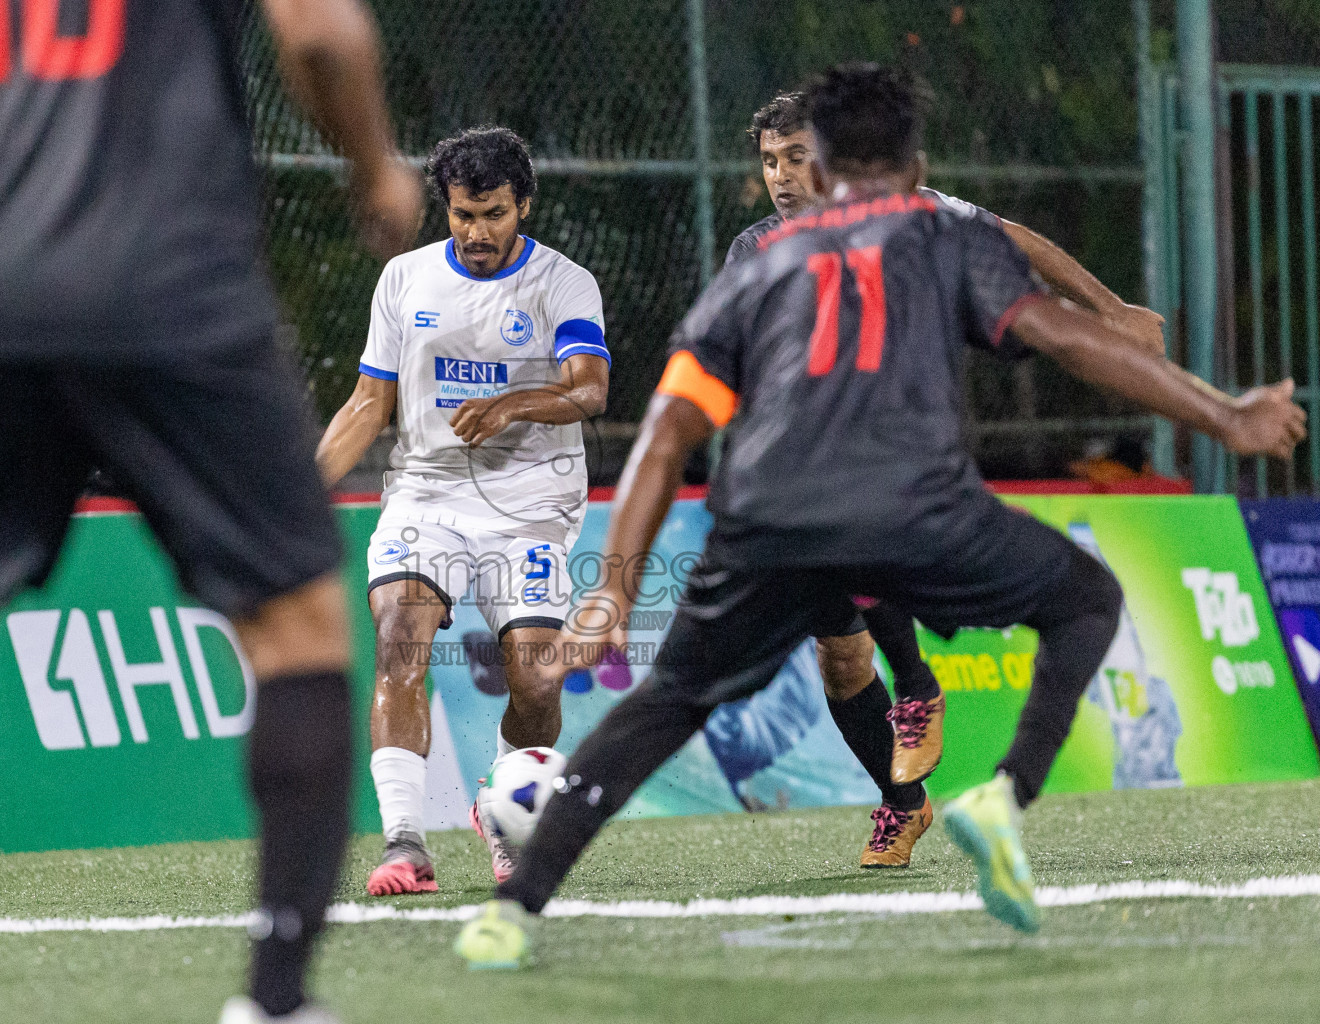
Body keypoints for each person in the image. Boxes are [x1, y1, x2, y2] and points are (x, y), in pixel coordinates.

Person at [454, 62, 1304, 966]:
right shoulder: (942, 234)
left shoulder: (757, 264)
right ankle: (1003, 795)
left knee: (667, 705)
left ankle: (516, 910)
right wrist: (1223, 412)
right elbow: (1070, 339)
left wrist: (613, 595)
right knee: (1087, 598)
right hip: (919, 511)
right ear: (915, 161)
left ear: (815, 166)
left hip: (770, 526)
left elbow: (666, 433)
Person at [0, 0, 421, 1019]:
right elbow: (323, 38)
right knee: (297, 627)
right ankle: (277, 996)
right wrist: (374, 164)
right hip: (179, 289)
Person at [716, 90, 1175, 866]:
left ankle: (920, 686)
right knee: (839, 658)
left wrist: (1108, 305)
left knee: (869, 518)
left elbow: (1013, 240)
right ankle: (905, 802)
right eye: (769, 162)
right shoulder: (753, 248)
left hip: (896, 452)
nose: (782, 177)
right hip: (803, 467)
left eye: (797, 157)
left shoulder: (907, 208)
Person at [315, 127, 610, 894]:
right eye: (461, 215)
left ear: (525, 205)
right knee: (399, 642)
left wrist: (515, 404)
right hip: (427, 495)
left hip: (532, 508)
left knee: (538, 684)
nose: (477, 233)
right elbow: (367, 404)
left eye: (494, 214)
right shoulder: (405, 280)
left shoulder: (564, 284)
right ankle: (405, 844)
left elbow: (589, 389)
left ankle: (504, 805)